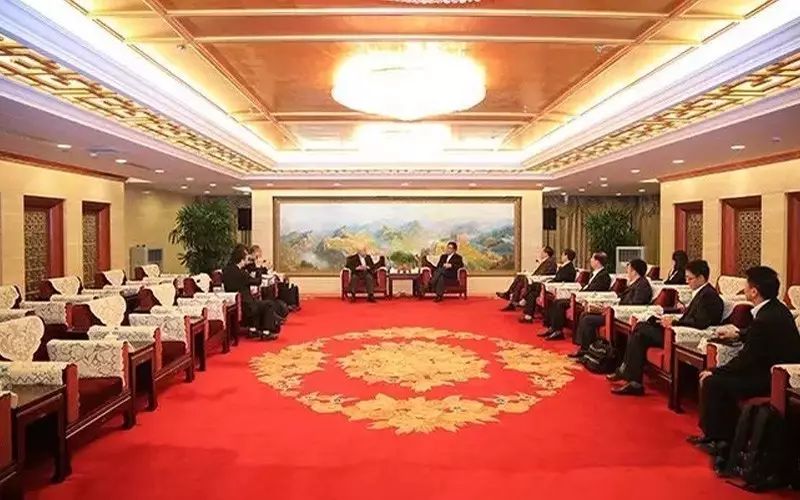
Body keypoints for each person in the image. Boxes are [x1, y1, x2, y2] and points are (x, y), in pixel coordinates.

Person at [690, 266, 800, 460]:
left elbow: (746, 359)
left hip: (770, 377)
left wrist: (716, 371)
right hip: (771, 370)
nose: (744, 290)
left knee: (713, 382)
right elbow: (757, 336)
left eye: (746, 286)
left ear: (754, 291)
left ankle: (719, 439)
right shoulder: (775, 309)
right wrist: (739, 333)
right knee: (717, 379)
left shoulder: (765, 319)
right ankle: (717, 435)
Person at [610, 259, 724, 396]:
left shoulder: (709, 296)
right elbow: (690, 317)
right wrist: (666, 318)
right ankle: (634, 382)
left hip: (683, 338)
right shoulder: (701, 292)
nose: (687, 281)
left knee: (640, 327)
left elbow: (700, 322)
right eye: (686, 277)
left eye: (690, 278)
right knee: (639, 335)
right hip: (677, 330)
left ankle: (626, 371)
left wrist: (674, 323)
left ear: (701, 277)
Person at [570, 258, 653, 359]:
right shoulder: (636, 283)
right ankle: (586, 349)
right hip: (617, 312)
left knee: (587, 320)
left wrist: (614, 307)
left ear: (634, 271)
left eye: (628, 270)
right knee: (585, 314)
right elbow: (622, 298)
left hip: (622, 316)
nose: (627, 273)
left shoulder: (642, 285)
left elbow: (636, 304)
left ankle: (587, 351)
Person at [538, 251, 612, 340]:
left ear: (597, 261)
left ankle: (558, 331)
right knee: (557, 302)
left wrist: (580, 293)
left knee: (560, 304)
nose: (590, 260)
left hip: (588, 299)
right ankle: (554, 328)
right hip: (581, 296)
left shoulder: (604, 276)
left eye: (592, 258)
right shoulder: (595, 273)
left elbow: (595, 289)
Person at [222, 244, 281, 340]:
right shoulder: (241, 274)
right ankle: (266, 332)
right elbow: (258, 282)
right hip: (246, 305)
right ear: (242, 259)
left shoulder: (226, 270)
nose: (248, 260)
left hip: (235, 303)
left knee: (257, 302)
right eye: (247, 258)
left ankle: (253, 330)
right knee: (268, 304)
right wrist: (258, 268)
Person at [518, 248, 578, 324]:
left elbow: (561, 279)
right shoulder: (564, 266)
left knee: (535, 286)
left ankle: (524, 298)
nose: (561, 256)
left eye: (563, 255)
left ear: (566, 256)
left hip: (560, 289)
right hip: (553, 285)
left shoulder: (569, 268)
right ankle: (528, 316)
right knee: (532, 294)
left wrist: (551, 281)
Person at [497, 246, 557, 311]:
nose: (540, 254)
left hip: (539, 282)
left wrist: (531, 276)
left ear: (546, 253)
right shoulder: (545, 261)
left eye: (542, 252)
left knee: (521, 279)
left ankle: (510, 298)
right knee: (520, 278)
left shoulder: (550, 262)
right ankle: (511, 299)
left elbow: (545, 274)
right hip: (535, 279)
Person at [247, 245, 301, 311]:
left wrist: (265, 267)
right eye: (258, 252)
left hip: (261, 279)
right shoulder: (249, 263)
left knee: (279, 280)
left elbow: (262, 271)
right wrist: (263, 267)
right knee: (272, 285)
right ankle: (280, 304)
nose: (259, 255)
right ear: (253, 253)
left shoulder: (255, 261)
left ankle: (286, 302)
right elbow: (255, 272)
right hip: (256, 281)